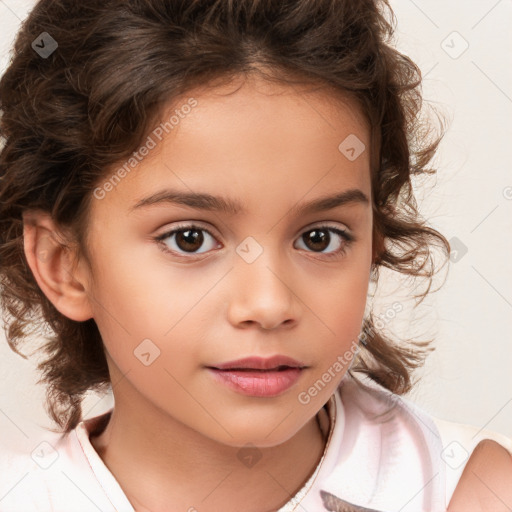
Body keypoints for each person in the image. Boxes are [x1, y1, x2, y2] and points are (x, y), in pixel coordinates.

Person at [0, 1, 510, 511]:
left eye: (319, 238)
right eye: (190, 239)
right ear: (63, 264)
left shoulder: (469, 495)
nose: (268, 304)